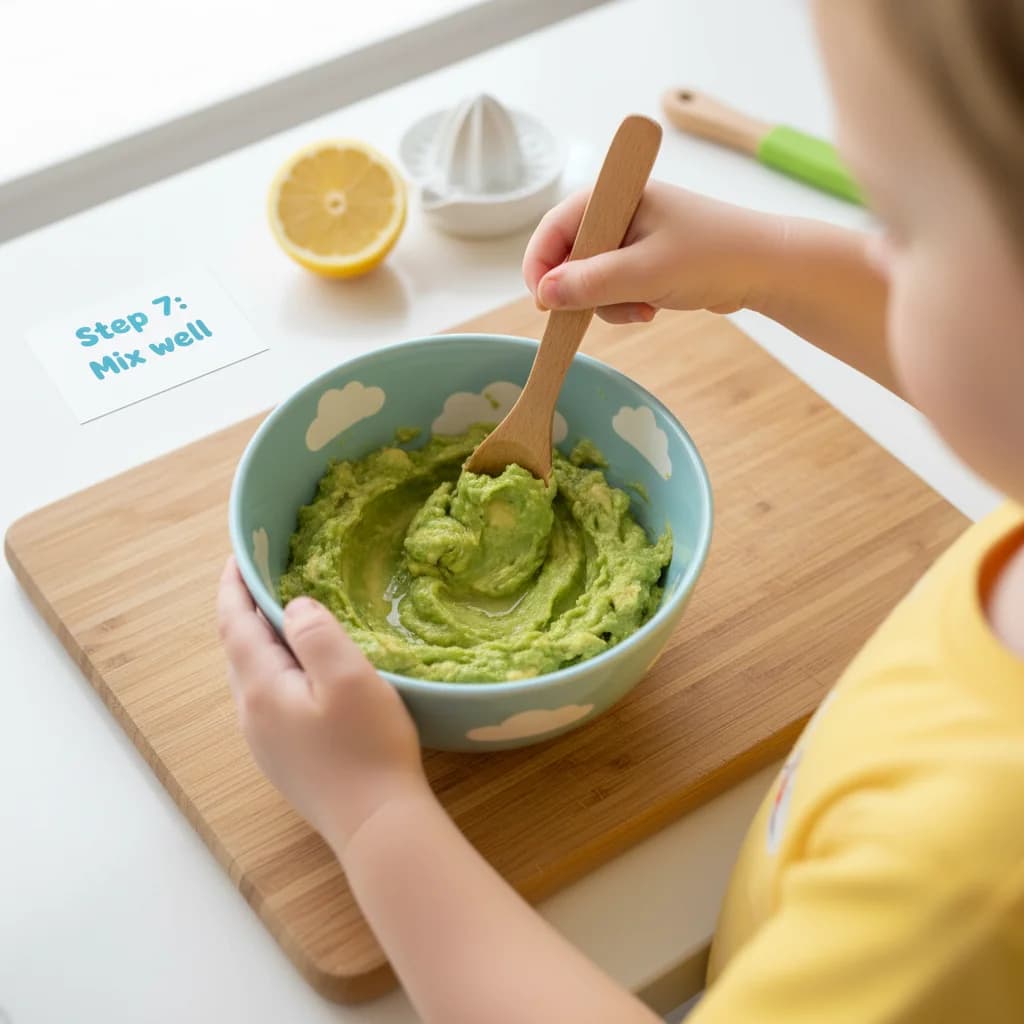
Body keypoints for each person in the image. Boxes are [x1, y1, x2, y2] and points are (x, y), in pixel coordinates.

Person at [216, 1, 1024, 1019]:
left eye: (896, 225)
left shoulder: (960, 893)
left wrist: (374, 813)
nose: (872, 254)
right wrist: (771, 263)